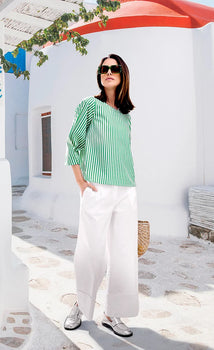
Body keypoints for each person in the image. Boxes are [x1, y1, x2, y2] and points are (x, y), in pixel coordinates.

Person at [64, 54, 138, 337]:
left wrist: (130, 187)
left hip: (127, 189)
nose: (108, 72)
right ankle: (81, 307)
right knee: (91, 250)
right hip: (97, 187)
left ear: (122, 74)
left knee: (123, 254)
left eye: (114, 68)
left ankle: (113, 312)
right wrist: (80, 180)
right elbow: (74, 141)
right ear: (99, 74)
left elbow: (124, 152)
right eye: (104, 68)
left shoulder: (125, 115)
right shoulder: (89, 105)